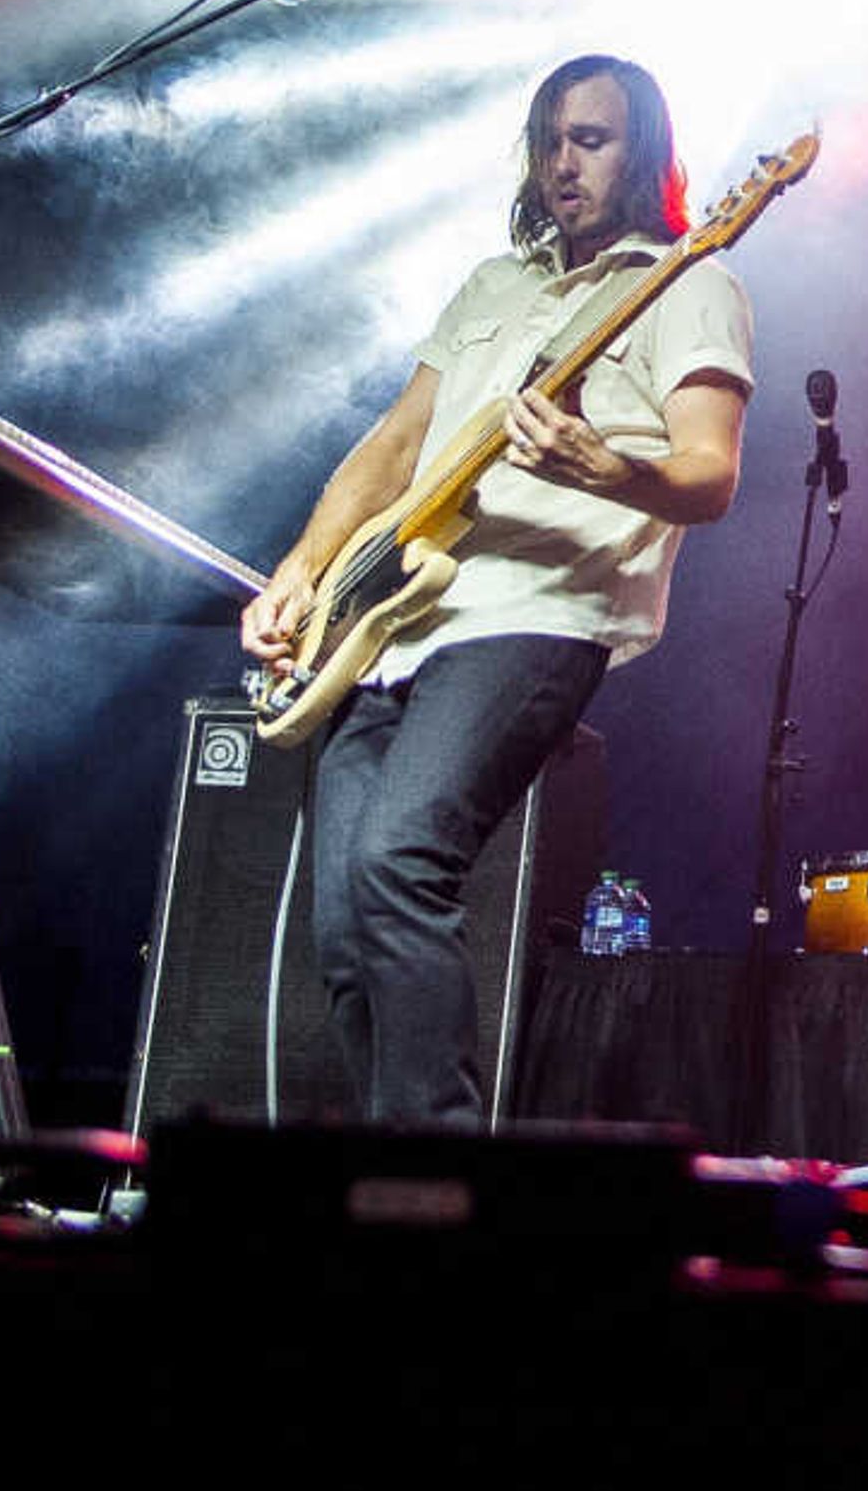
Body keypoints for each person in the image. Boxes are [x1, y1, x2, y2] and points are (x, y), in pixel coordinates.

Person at [238, 55, 752, 1125]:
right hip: (391, 623)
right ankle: (385, 1187)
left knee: (398, 861)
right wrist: (298, 571)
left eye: (593, 139)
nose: (564, 162)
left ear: (644, 150)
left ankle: (441, 1183)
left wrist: (608, 468)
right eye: (551, 138)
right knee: (344, 929)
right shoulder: (492, 285)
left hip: (539, 611)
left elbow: (711, 473)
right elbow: (393, 445)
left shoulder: (690, 282)